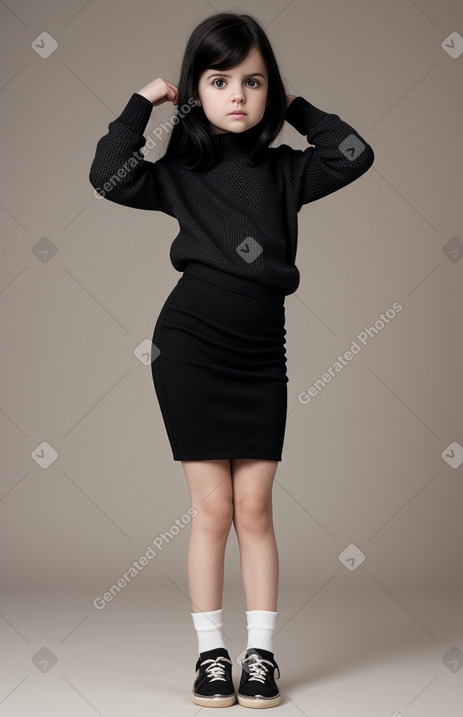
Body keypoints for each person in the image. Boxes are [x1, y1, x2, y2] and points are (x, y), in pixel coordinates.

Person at [89, 10, 374, 709]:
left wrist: (298, 104)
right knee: (211, 508)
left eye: (253, 81)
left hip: (259, 353)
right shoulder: (180, 172)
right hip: (188, 347)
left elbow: (356, 152)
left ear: (269, 91)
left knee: (255, 507)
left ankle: (261, 658)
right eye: (220, 81)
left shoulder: (286, 172)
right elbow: (107, 178)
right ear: (196, 91)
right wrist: (139, 103)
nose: (238, 95)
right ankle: (212, 656)